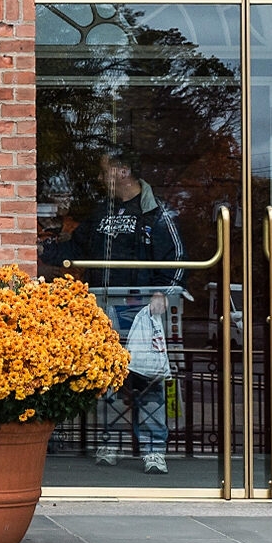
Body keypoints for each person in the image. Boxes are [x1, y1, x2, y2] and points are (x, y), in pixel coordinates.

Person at [77, 153, 184, 475]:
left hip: (141, 307)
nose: (101, 178)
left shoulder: (156, 211)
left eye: (105, 171)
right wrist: (43, 249)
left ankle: (153, 450)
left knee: (148, 377)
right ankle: (109, 442)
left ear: (123, 171)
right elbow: (78, 246)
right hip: (105, 303)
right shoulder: (101, 212)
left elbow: (177, 256)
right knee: (108, 377)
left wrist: (162, 292)